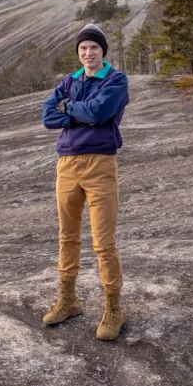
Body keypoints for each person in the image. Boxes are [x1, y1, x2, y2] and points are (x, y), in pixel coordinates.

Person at [41, 23, 129, 340]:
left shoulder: (116, 79)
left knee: (103, 243)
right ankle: (68, 300)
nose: (88, 53)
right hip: (66, 164)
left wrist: (72, 109)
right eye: (83, 49)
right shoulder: (70, 80)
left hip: (100, 164)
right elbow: (48, 116)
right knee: (68, 236)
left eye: (93, 47)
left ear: (103, 50)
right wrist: (82, 111)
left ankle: (114, 309)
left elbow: (100, 110)